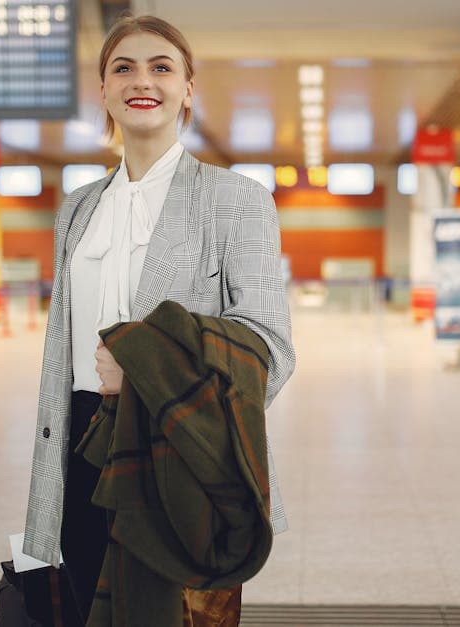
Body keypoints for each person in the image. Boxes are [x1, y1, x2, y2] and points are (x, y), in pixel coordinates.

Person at [21, 14, 296, 626]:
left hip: (179, 452)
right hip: (81, 451)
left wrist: (148, 369)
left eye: (161, 67)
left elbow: (272, 353)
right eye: (123, 67)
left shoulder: (237, 199)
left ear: (188, 89)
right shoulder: (78, 209)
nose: (141, 80)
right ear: (104, 90)